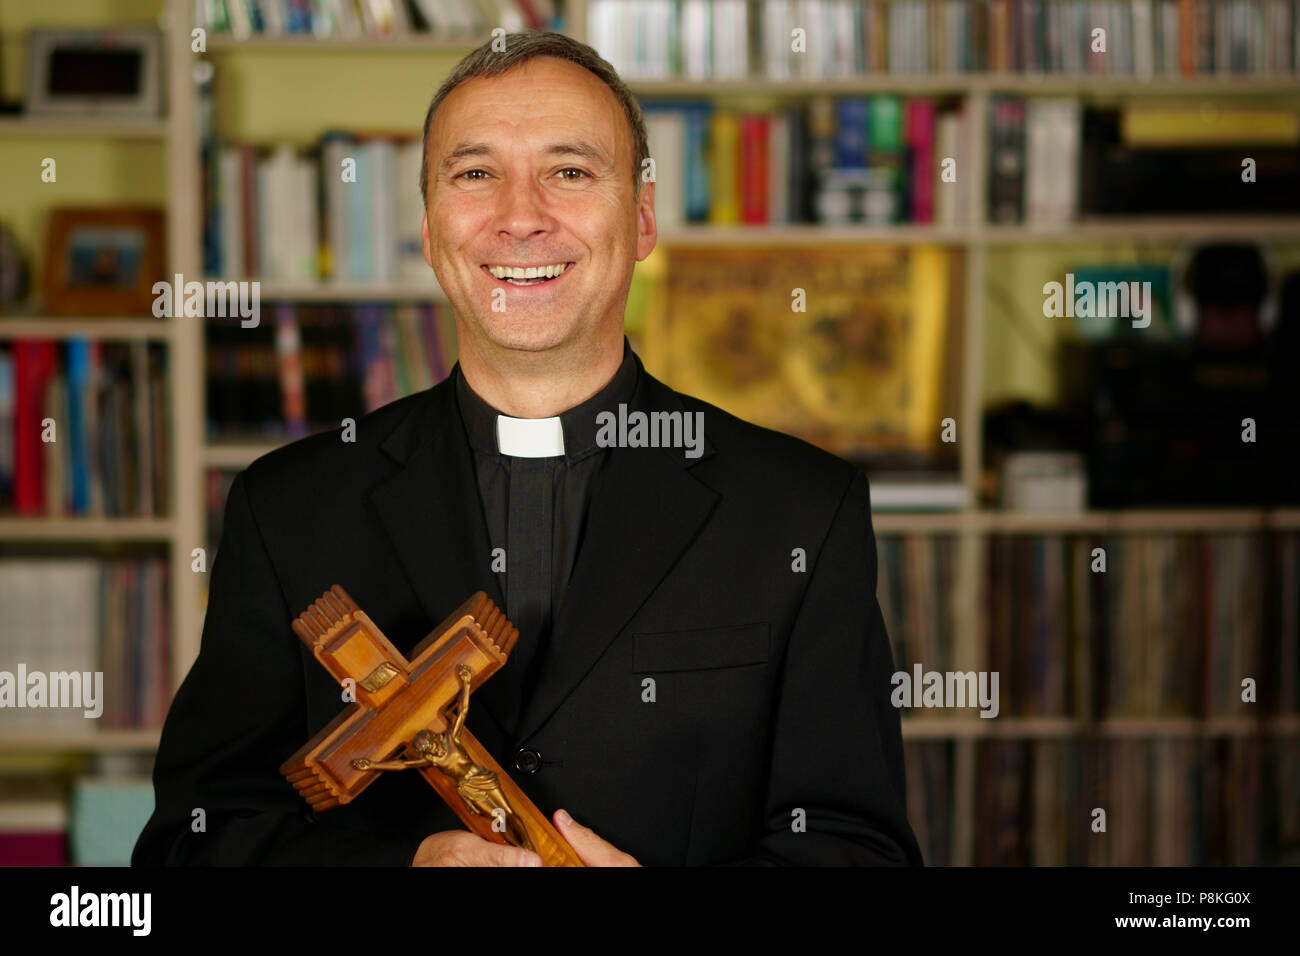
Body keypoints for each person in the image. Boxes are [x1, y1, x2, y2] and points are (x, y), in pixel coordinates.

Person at [133, 31, 923, 867]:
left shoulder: (800, 508)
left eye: (570, 171)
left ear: (643, 217)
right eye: (475, 174)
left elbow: (857, 849)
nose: (520, 216)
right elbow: (192, 843)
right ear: (431, 228)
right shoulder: (286, 508)